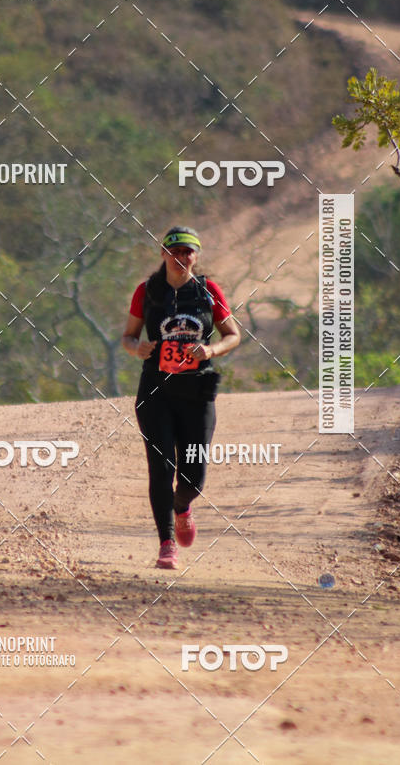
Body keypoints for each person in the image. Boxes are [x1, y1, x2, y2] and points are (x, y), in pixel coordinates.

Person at [122, 226, 240, 569]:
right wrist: (137, 348)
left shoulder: (208, 291)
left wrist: (211, 349)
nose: (181, 257)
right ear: (163, 254)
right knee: (161, 468)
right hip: (156, 392)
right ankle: (166, 543)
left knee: (193, 476)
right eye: (175, 251)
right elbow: (127, 337)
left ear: (196, 255)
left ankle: (182, 506)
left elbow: (233, 334)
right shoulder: (147, 292)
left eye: (188, 251)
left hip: (197, 393)